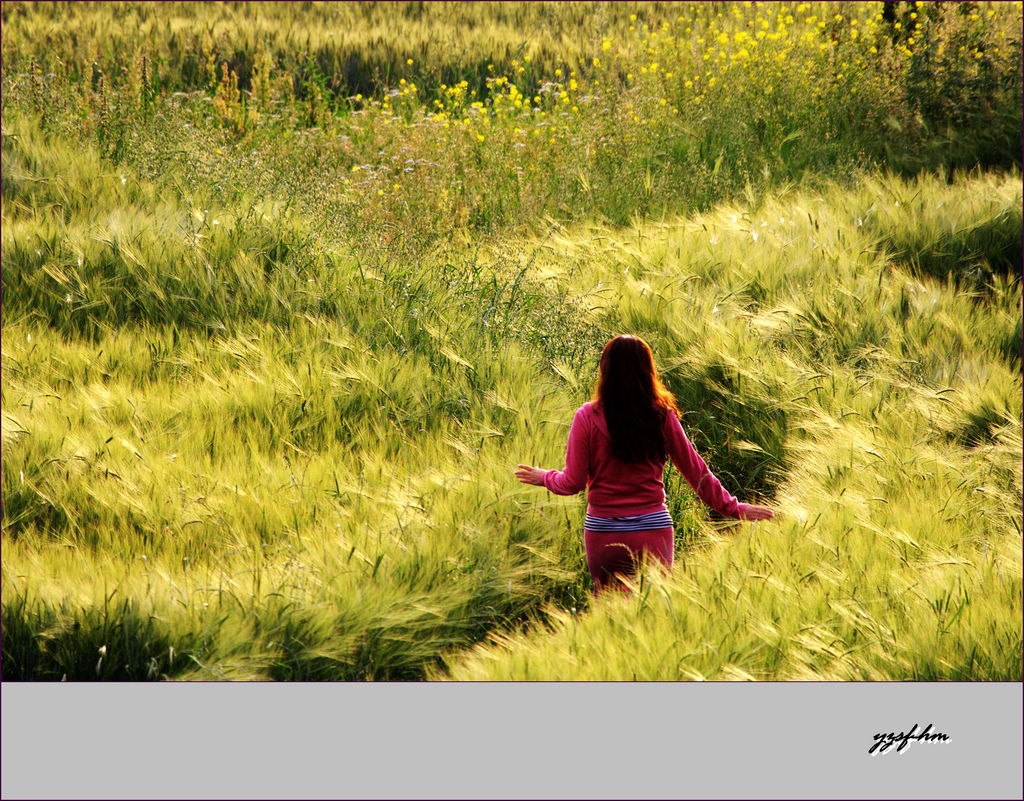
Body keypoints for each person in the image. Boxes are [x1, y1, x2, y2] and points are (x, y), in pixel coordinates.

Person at [514, 335, 773, 594]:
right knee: (653, 613)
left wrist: (545, 477)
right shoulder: (660, 415)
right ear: (648, 370)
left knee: (607, 618)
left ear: (605, 370)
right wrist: (734, 508)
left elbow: (573, 483)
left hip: (604, 535)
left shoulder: (586, 417)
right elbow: (696, 471)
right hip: (653, 531)